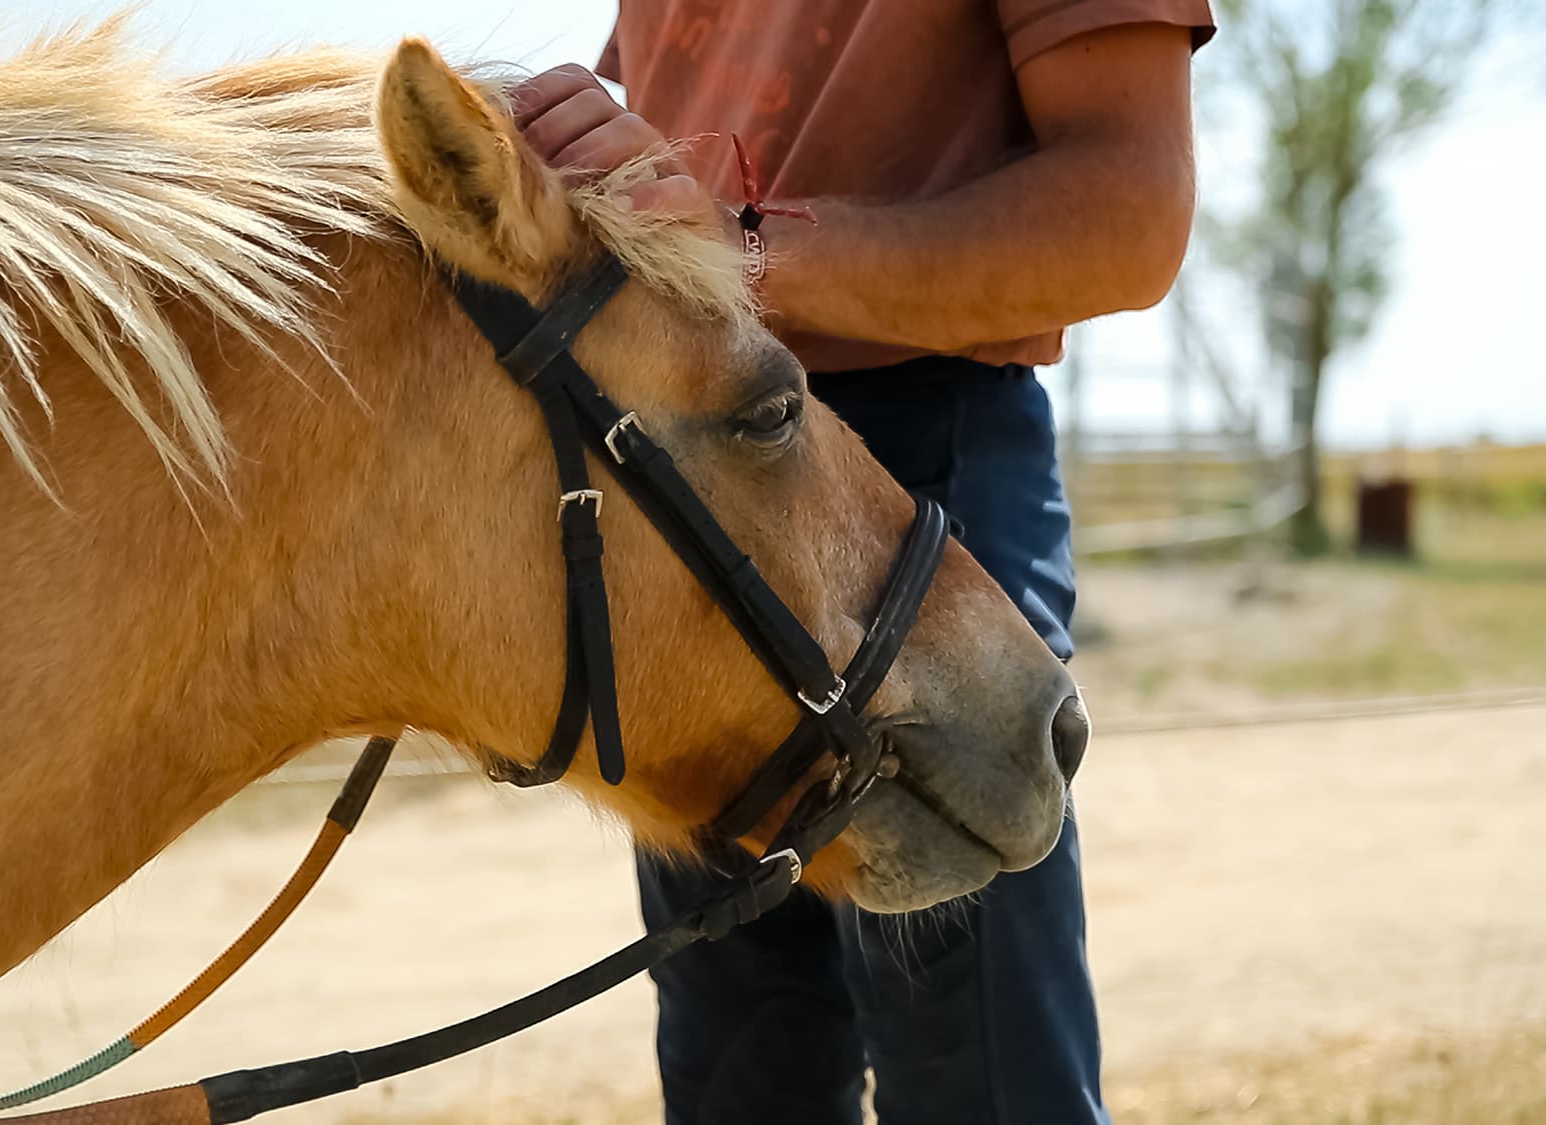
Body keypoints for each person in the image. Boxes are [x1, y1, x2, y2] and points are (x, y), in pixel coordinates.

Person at [511, 4, 1212, 1122]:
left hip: (915, 458)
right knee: (737, 1077)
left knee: (978, 1083)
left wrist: (747, 248)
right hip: (681, 474)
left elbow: (1130, 214)